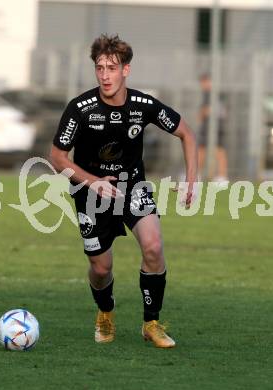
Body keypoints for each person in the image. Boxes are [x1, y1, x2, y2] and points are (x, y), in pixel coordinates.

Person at [50, 34, 197, 348]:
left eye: (112, 68)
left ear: (125, 70)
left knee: (154, 247)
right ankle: (105, 312)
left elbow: (186, 133)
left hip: (133, 187)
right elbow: (57, 157)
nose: (105, 75)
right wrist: (93, 182)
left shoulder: (143, 105)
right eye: (100, 68)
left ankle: (151, 323)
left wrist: (191, 179)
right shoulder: (81, 109)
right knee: (101, 269)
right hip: (89, 193)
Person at [198, 73, 229, 183]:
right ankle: (222, 176)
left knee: (203, 149)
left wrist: (201, 117)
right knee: (218, 150)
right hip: (218, 125)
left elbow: (206, 111)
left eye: (204, 82)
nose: (202, 85)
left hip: (210, 126)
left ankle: (197, 175)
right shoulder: (219, 94)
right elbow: (224, 112)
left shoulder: (209, 94)